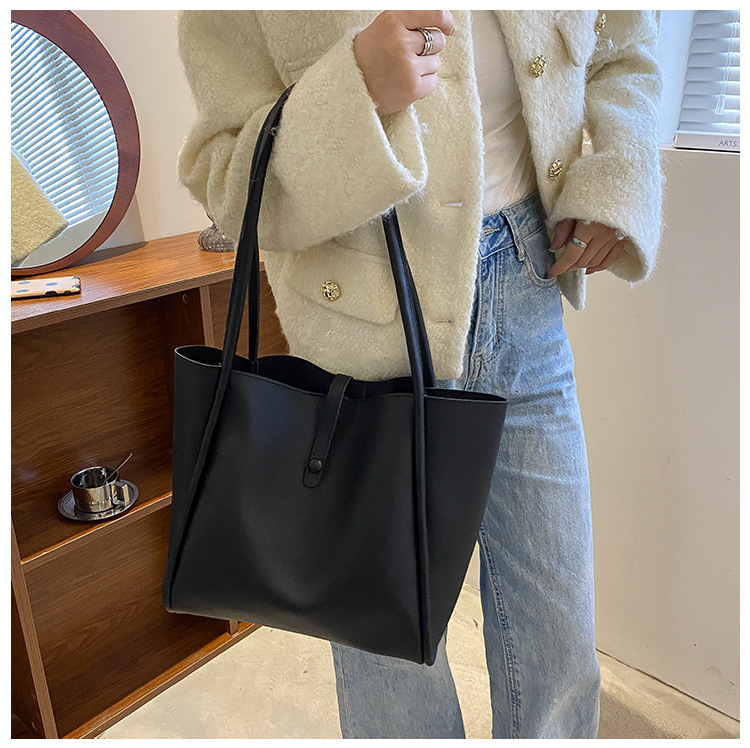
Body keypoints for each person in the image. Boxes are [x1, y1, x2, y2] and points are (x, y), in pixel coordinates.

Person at [176, 10, 664, 739]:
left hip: (526, 284)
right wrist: (354, 94)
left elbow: (625, 51)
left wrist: (616, 182)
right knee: (387, 661)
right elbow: (227, 179)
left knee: (558, 641)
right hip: (361, 319)